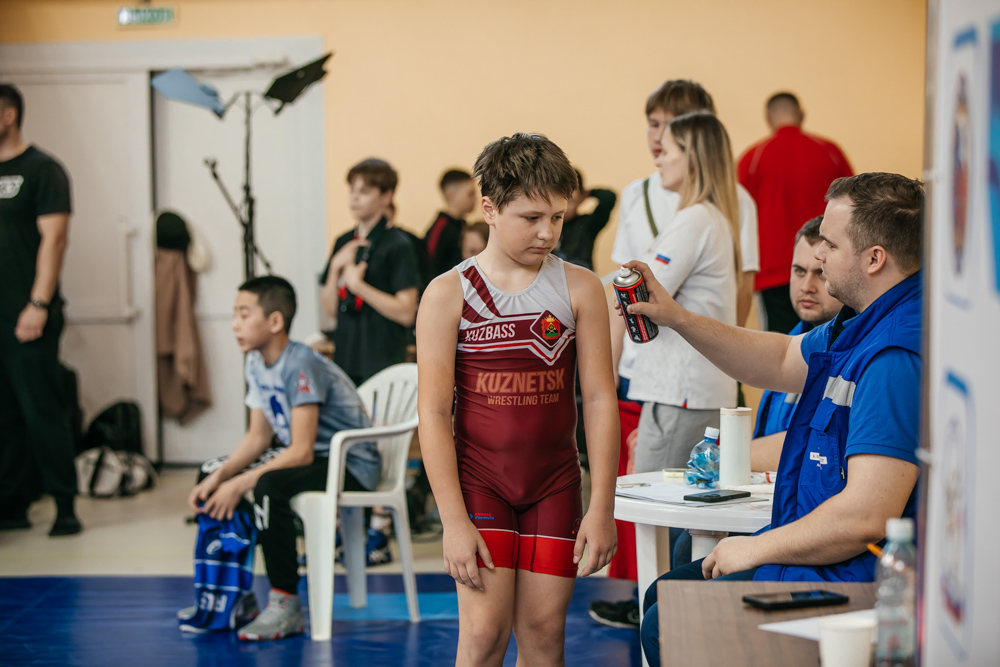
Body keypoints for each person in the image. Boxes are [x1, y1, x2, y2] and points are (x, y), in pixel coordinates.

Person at [622, 172, 923, 666]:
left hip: (857, 580)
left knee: (667, 620)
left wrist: (758, 549)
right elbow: (783, 359)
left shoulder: (894, 354)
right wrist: (677, 317)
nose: (818, 256)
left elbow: (867, 514)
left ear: (874, 259)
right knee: (664, 596)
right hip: (831, 564)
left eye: (828, 243)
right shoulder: (862, 324)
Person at [418, 133, 619, 667]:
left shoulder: (580, 288)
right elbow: (434, 414)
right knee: (483, 635)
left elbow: (600, 399)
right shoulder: (448, 293)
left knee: (544, 633)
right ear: (489, 208)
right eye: (531, 217)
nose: (548, 232)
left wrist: (602, 505)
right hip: (480, 485)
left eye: (556, 217)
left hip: (555, 483)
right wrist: (453, 521)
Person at [185, 275, 381, 641]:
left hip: (350, 463)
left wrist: (241, 482)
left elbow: (301, 450)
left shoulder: (300, 363)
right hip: (313, 458)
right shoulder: (256, 362)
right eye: (234, 314)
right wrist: (222, 475)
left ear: (275, 322)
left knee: (267, 485)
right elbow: (258, 437)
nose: (234, 324)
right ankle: (231, 595)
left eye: (244, 315)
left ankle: (286, 602)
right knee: (209, 471)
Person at [665, 215, 845, 571]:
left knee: (684, 554)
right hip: (768, 504)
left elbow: (804, 445)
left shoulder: (845, 351)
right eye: (798, 271)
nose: (807, 285)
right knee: (684, 532)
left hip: (802, 520)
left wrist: (726, 457)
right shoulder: (792, 338)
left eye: (820, 272)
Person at [0, 83, 81, 537]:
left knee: (41, 409)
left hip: (28, 314)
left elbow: (56, 240)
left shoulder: (43, 170)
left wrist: (38, 304)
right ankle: (11, 503)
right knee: (4, 415)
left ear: (9, 114)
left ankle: (65, 504)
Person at [738, 92, 854, 334]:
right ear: (801, 115)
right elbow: (854, 208)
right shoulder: (830, 152)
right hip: (826, 266)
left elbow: (740, 219)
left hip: (773, 272)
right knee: (830, 339)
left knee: (779, 345)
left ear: (768, 118)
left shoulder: (752, 159)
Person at [320, 158, 421, 387]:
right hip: (346, 357)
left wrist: (359, 287)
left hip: (381, 359)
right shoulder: (343, 242)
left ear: (386, 197)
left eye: (364, 191)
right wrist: (336, 267)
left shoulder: (398, 244)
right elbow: (330, 309)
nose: (354, 198)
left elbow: (406, 312)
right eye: (352, 190)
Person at [555, 169, 616, 271]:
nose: (564, 208)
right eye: (559, 200)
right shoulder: (547, 224)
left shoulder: (588, 224)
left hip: (582, 280)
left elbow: (608, 197)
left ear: (582, 198)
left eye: (570, 201)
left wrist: (588, 193)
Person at [425, 169, 478, 277]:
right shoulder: (441, 228)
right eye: (470, 194)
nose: (475, 199)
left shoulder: (464, 226)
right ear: (451, 196)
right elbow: (429, 265)